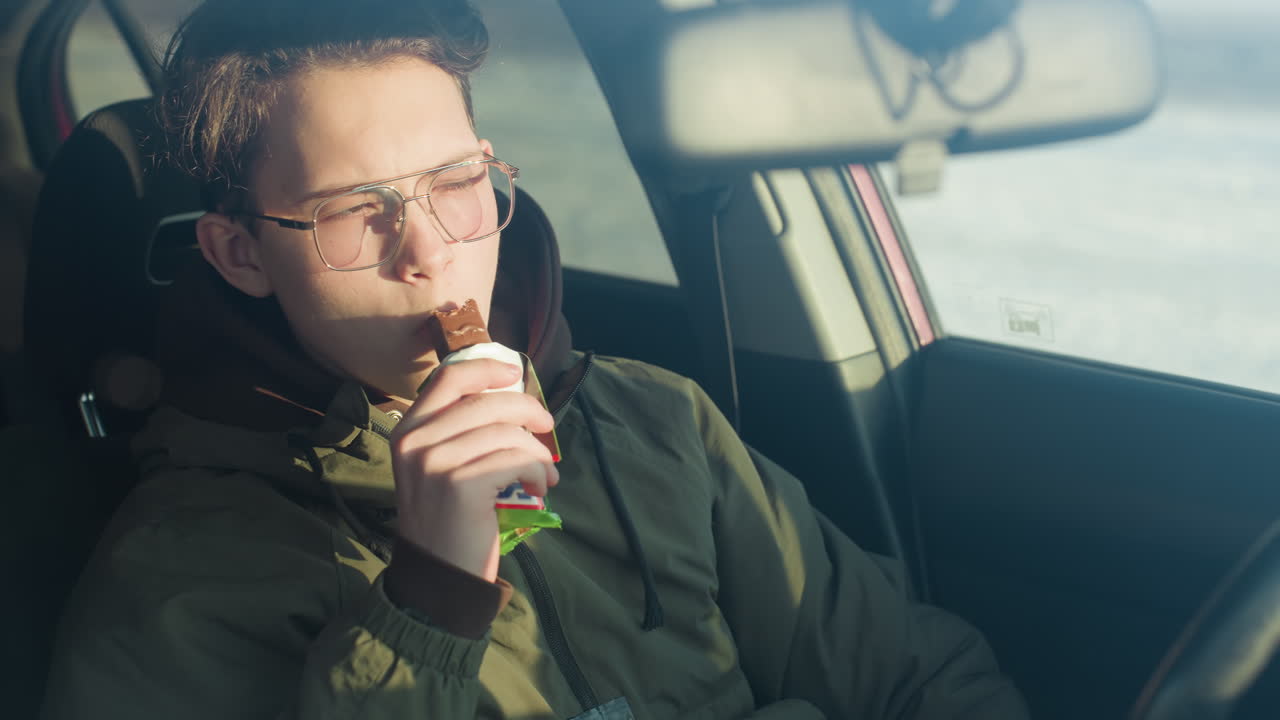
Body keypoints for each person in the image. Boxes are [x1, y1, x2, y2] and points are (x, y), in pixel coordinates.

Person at [41, 0, 1029, 717]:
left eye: (455, 183)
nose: (430, 253)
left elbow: (918, 678)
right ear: (241, 253)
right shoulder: (174, 586)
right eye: (353, 213)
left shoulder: (655, 424)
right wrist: (426, 600)